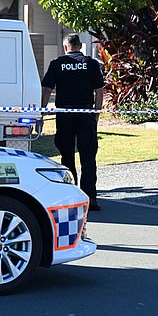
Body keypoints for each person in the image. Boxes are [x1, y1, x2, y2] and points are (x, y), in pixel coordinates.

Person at [41, 33, 105, 211]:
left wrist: (41, 111)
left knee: (66, 156)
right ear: (80, 47)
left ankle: (70, 197)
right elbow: (99, 92)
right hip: (85, 114)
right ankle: (90, 198)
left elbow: (46, 90)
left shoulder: (57, 64)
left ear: (65, 47)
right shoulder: (91, 64)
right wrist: (96, 114)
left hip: (65, 114)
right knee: (88, 157)